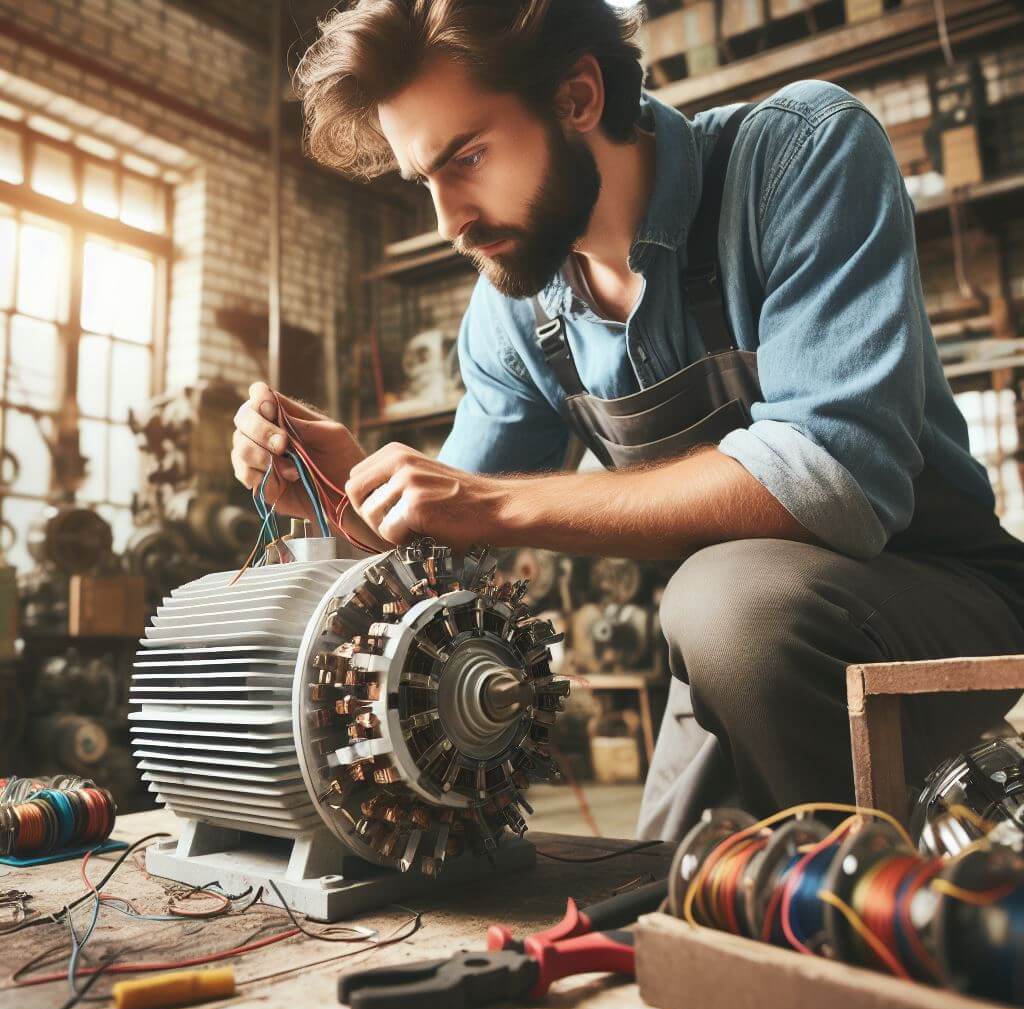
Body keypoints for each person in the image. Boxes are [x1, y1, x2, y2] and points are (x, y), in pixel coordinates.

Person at [231, 0, 1024, 841]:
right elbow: (444, 540)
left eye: (468, 157)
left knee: (725, 606)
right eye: (424, 179)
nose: (447, 220)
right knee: (664, 886)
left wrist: (491, 503)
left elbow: (833, 479)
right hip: (728, 646)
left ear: (577, 97)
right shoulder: (513, 317)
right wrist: (348, 498)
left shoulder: (799, 156)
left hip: (933, 600)